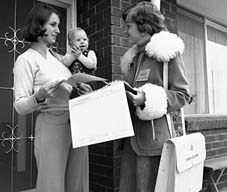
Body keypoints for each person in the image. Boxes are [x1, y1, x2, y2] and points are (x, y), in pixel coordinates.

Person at [13, 4, 91, 192]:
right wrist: (38, 96)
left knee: (78, 185)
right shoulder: (26, 60)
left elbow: (66, 88)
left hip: (77, 126)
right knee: (52, 186)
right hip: (52, 126)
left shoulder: (58, 58)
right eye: (54, 25)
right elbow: (20, 106)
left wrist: (79, 89)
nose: (58, 30)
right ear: (39, 26)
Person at [119, 2, 191, 192]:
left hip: (153, 144)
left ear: (144, 27)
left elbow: (182, 95)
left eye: (128, 26)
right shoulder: (132, 59)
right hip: (130, 143)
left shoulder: (167, 53)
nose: (125, 31)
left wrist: (147, 99)